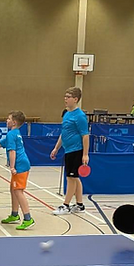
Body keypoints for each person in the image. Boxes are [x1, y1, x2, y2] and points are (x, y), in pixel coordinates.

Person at [0, 111, 34, 230]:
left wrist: (12, 167)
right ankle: (14, 215)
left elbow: (12, 151)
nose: (6, 120)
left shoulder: (11, 134)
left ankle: (28, 218)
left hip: (20, 165)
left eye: (9, 119)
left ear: (14, 122)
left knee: (18, 191)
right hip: (22, 164)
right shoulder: (14, 133)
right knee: (13, 190)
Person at [50, 86, 89, 215]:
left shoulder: (80, 116)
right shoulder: (67, 114)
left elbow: (85, 135)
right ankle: (80, 205)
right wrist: (56, 148)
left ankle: (65, 205)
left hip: (76, 151)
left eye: (68, 97)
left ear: (75, 99)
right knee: (75, 178)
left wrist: (85, 154)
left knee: (71, 178)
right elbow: (64, 133)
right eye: (65, 97)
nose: (65, 99)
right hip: (68, 150)